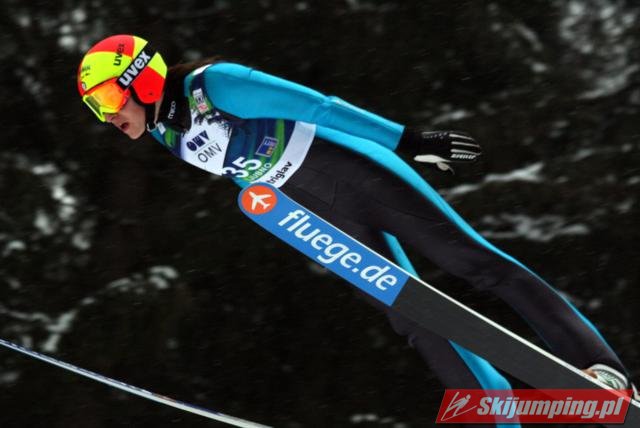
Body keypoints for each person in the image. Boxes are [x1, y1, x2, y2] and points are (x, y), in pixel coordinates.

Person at [76, 34, 637, 413]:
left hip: (354, 170)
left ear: (141, 78)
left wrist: (407, 139)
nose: (107, 116)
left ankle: (601, 372)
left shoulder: (214, 85)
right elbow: (249, 172)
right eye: (96, 108)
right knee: (411, 313)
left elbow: (318, 107)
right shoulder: (164, 133)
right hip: (316, 205)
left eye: (106, 98)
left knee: (475, 264)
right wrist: (298, 225)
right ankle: (493, 411)